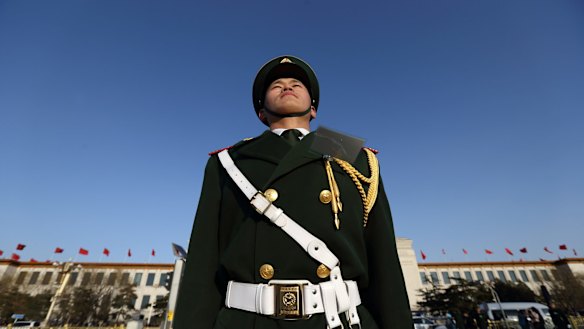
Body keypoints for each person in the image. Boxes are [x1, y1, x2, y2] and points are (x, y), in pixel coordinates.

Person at [173, 55, 413, 329]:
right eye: (276, 84)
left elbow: (384, 263)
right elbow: (203, 265)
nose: (287, 86)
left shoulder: (355, 155)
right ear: (262, 112)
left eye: (296, 82)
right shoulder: (228, 160)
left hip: (339, 320)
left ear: (313, 108)